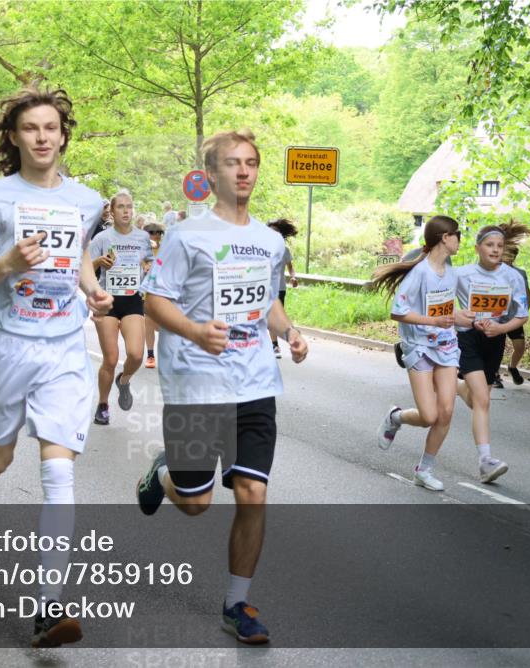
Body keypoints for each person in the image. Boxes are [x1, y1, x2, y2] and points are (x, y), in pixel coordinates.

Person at [0, 85, 111, 648]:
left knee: (59, 469)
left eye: (51, 128)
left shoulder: (88, 200)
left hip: (65, 346)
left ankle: (48, 608)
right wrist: (6, 263)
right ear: (14, 137)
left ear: (64, 135)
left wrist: (92, 290)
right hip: (6, 344)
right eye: (31, 129)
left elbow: (80, 253)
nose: (42, 137)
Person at [135, 129, 308, 645]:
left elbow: (267, 304)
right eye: (232, 163)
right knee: (195, 504)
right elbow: (154, 300)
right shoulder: (187, 235)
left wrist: (290, 332)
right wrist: (193, 330)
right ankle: (164, 473)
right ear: (211, 174)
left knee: (253, 493)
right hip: (195, 382)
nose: (244, 171)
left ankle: (237, 604)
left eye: (251, 162)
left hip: (253, 380)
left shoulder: (270, 241)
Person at [372, 216, 469, 491]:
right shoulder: (420, 273)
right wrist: (433, 322)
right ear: (445, 237)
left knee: (446, 412)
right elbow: (398, 311)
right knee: (429, 416)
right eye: (457, 234)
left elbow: (446, 311)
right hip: (420, 348)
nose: (460, 239)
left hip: (447, 346)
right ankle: (395, 417)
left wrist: (461, 317)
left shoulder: (450, 270)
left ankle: (423, 470)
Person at [452, 222, 530, 484]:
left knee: (477, 400)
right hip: (469, 339)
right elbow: (439, 301)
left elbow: (522, 315)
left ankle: (451, 383)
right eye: (490, 245)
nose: (496, 250)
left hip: (494, 339)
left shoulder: (512, 276)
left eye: (499, 246)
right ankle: (485, 461)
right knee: (483, 402)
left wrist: (501, 328)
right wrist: (463, 318)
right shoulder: (461, 275)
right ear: (477, 248)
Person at [88, 189, 153, 425]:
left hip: (133, 298)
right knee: (111, 357)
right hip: (108, 300)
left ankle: (123, 381)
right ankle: (103, 404)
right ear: (112, 212)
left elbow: (152, 263)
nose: (126, 211)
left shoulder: (142, 238)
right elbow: (86, 268)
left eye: (129, 206)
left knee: (136, 354)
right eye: (121, 207)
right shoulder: (101, 239)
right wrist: (97, 262)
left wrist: (147, 272)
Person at [266, 219, 299, 359]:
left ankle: (274, 345)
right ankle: (273, 345)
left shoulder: (285, 250)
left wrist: (293, 277)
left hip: (279, 288)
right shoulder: (261, 249)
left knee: (274, 318)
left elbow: (290, 267)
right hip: (263, 289)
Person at [502, 245, 530, 385]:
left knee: (520, 347)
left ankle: (512, 367)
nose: (509, 258)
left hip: (514, 316)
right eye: (507, 254)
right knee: (497, 348)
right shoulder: (493, 271)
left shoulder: (520, 273)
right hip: (497, 316)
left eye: (512, 255)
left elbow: (527, 293)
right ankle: (494, 374)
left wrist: (525, 311)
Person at [142, 221, 165, 368]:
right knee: (149, 323)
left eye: (158, 232)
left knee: (162, 326)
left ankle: (166, 354)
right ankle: (150, 356)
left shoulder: (166, 248)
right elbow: (139, 264)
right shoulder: (141, 249)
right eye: (152, 232)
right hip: (146, 292)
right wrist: (144, 266)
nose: (156, 235)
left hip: (163, 292)